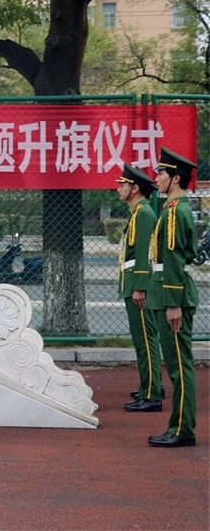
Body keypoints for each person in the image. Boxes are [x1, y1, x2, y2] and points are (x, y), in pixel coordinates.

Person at [147, 147, 200, 448]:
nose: (156, 178)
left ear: (175, 178)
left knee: (179, 366)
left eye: (161, 173)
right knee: (177, 364)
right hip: (166, 292)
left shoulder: (175, 211)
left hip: (172, 295)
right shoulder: (172, 208)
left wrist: (173, 303)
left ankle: (182, 429)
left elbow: (174, 259)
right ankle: (179, 425)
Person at [115, 165, 163, 412]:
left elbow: (144, 253)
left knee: (145, 339)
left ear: (135, 188)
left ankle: (151, 394)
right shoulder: (138, 212)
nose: (118, 189)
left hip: (138, 285)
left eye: (122, 185)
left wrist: (140, 287)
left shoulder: (143, 213)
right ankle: (150, 385)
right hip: (133, 282)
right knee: (143, 338)